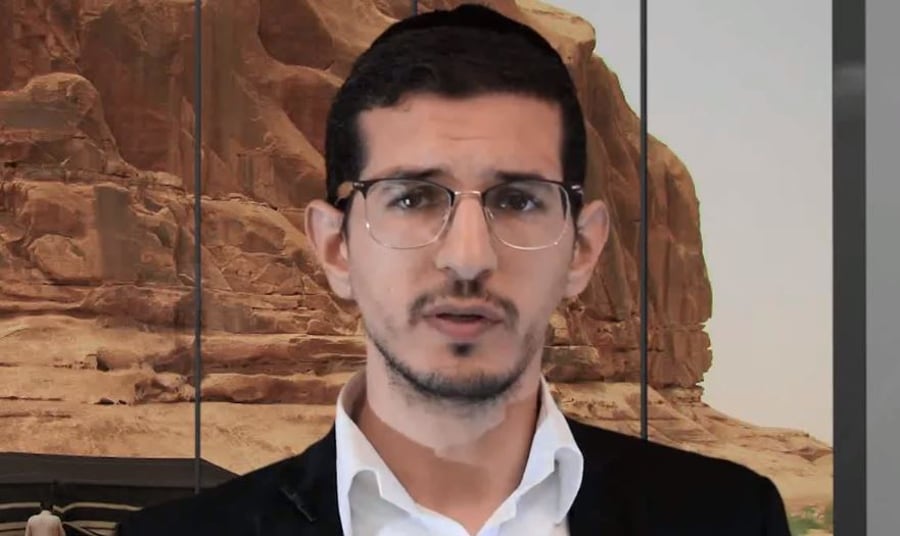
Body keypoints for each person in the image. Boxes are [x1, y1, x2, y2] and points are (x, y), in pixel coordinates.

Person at [115, 4, 791, 535]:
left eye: (518, 200)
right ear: (336, 248)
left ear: (583, 250)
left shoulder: (728, 518)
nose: (468, 257)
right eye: (413, 198)